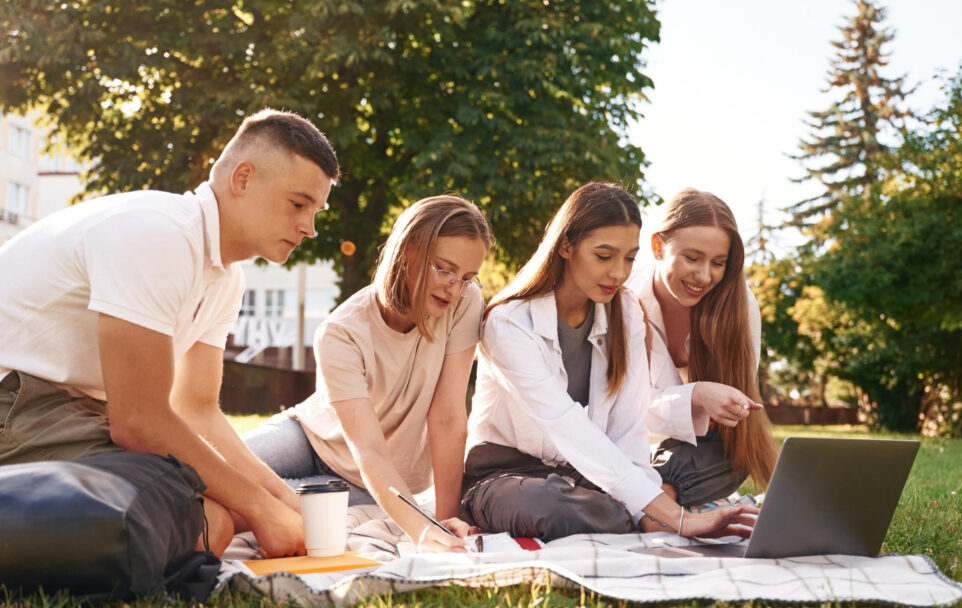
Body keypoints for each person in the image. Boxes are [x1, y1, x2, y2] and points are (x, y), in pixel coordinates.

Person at [0, 108, 340, 557]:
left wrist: (282, 501)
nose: (309, 227)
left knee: (225, 512)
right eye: (298, 204)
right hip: (17, 401)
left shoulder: (225, 277)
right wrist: (260, 508)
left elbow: (195, 408)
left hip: (68, 409)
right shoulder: (159, 234)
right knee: (210, 521)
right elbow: (138, 421)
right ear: (242, 179)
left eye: (315, 211)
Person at [459, 182, 759, 541]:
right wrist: (675, 518)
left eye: (629, 258)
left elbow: (627, 432)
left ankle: (629, 512)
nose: (619, 273)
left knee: (603, 505)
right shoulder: (508, 323)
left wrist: (645, 506)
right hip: (503, 476)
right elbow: (563, 424)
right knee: (557, 506)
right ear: (566, 246)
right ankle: (634, 512)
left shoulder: (627, 312)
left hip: (581, 474)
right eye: (604, 256)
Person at [243, 195, 491, 553]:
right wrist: (422, 528)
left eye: (467, 277)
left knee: (254, 504)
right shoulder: (340, 332)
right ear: (408, 253)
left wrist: (441, 521)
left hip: (367, 479)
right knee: (214, 468)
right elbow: (368, 446)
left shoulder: (465, 303)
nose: (454, 287)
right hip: (309, 435)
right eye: (443, 269)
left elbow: (449, 418)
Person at [625, 188, 777, 511]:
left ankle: (658, 496)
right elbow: (624, 409)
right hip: (625, 438)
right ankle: (657, 497)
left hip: (690, 451)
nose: (704, 276)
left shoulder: (740, 307)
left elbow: (736, 431)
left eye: (718, 263)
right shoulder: (624, 299)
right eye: (692, 258)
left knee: (734, 455)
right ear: (658, 247)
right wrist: (696, 396)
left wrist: (728, 408)